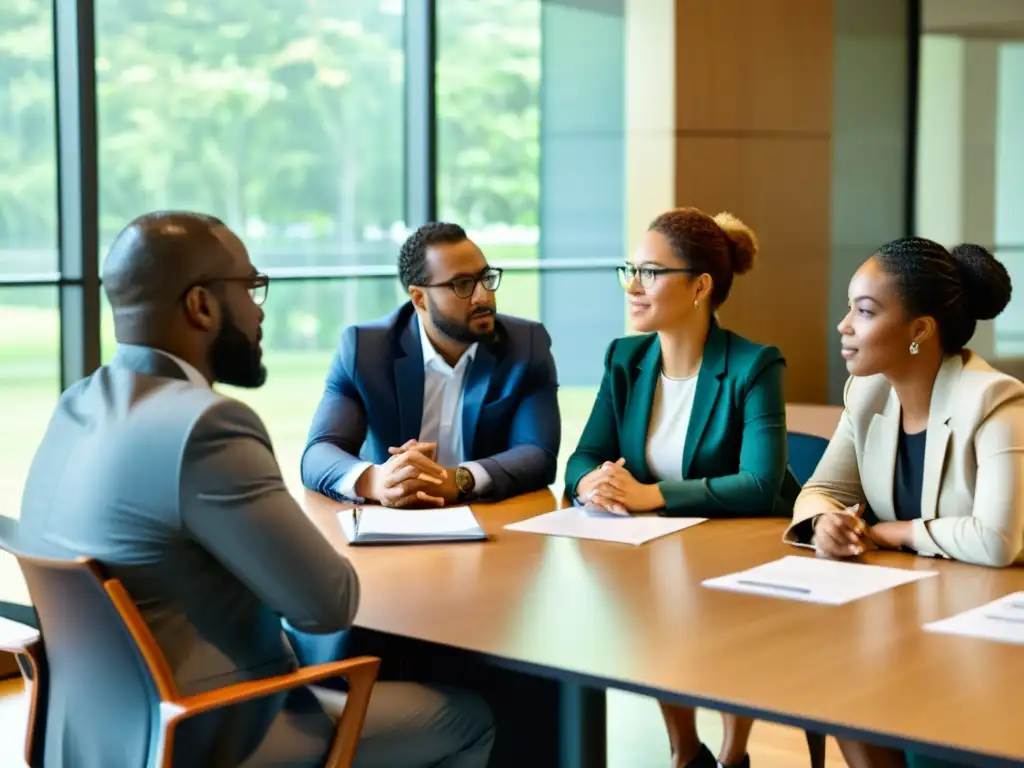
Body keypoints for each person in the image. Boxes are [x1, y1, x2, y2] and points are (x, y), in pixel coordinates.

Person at [17, 211, 495, 768]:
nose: (260, 310)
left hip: (94, 734)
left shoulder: (76, 404)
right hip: (213, 731)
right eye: (252, 287)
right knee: (466, 718)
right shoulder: (206, 426)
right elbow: (327, 606)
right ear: (201, 306)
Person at [564, 207, 797, 768]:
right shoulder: (625, 359)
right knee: (646, 599)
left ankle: (735, 752)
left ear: (700, 286)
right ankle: (684, 749)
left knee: (698, 604)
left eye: (650, 272)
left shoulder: (753, 365)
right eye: (630, 270)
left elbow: (762, 485)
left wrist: (653, 495)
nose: (633, 286)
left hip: (746, 552)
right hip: (661, 552)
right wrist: (592, 483)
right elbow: (581, 457)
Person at [785, 237, 1024, 768]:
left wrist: (892, 532)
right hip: (915, 617)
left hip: (993, 631)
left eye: (865, 312)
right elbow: (820, 491)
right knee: (832, 679)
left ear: (920, 330)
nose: (844, 325)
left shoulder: (996, 402)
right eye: (849, 308)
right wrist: (826, 523)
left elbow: (996, 539)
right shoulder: (869, 395)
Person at [301, 221, 560, 507]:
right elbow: (318, 453)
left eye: (486, 278)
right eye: (462, 284)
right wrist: (378, 480)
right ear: (419, 299)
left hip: (489, 522)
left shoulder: (526, 345)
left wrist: (458, 480)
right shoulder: (365, 351)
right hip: (393, 522)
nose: (483, 296)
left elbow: (538, 453)